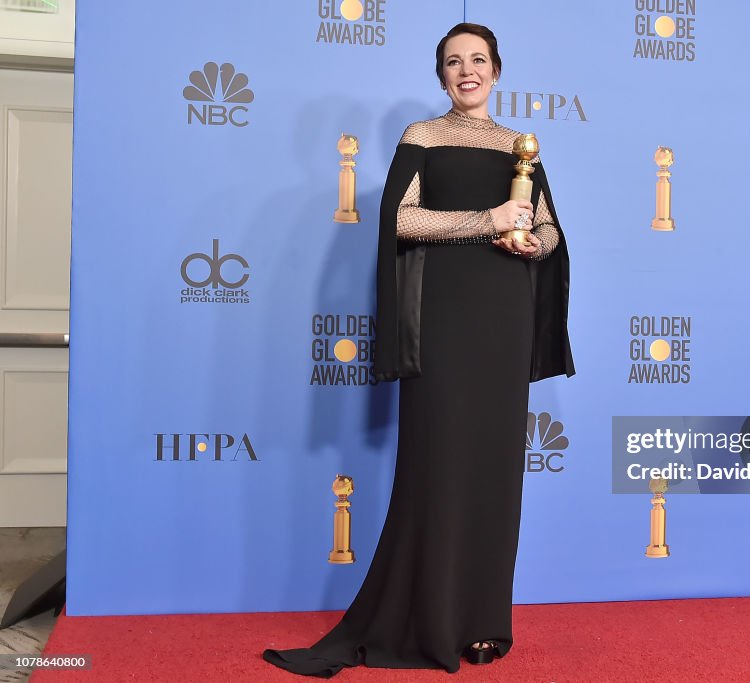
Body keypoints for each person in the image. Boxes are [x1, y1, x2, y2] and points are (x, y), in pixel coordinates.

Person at [263, 22, 573, 677]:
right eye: (454, 62)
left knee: (494, 468)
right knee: (441, 461)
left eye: (478, 59)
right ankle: (430, 617)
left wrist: (528, 241)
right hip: (443, 315)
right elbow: (399, 220)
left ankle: (486, 621)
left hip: (505, 316)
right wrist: (485, 221)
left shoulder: (521, 148)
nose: (467, 71)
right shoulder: (423, 138)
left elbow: (548, 230)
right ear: (441, 76)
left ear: (497, 69)